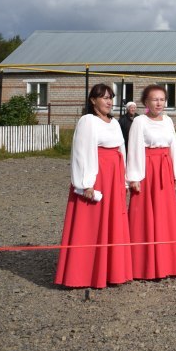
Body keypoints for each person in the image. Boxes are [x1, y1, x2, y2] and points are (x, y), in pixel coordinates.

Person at [54, 83, 133, 289]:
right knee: (91, 223)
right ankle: (84, 273)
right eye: (104, 97)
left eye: (111, 97)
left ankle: (111, 270)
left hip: (114, 176)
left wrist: (124, 179)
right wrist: (85, 184)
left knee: (113, 222)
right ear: (93, 100)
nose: (109, 101)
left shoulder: (114, 123)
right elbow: (81, 152)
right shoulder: (87, 121)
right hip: (97, 175)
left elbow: (121, 150)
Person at [126, 84, 176, 281]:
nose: (159, 103)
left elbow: (173, 148)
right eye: (154, 99)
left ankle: (169, 263)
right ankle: (144, 266)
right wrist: (134, 178)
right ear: (146, 102)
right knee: (145, 216)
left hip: (165, 169)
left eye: (162, 99)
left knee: (165, 216)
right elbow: (134, 149)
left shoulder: (169, 120)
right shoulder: (140, 121)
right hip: (147, 170)